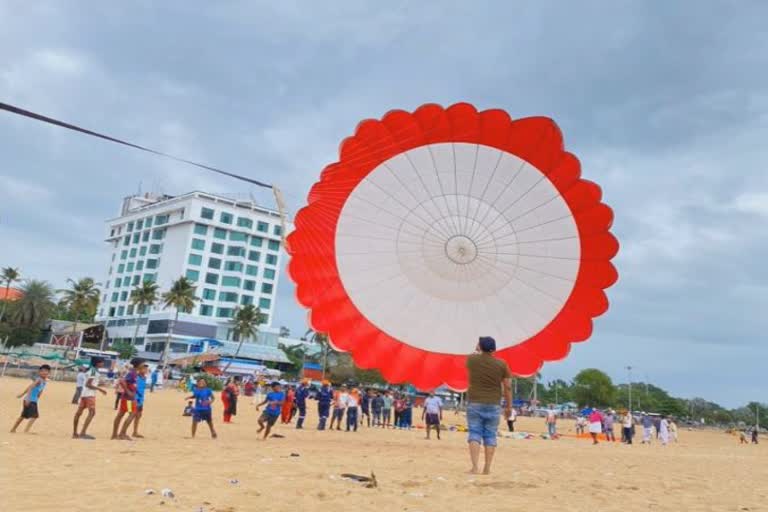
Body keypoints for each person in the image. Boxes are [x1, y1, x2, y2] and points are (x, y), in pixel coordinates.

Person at [465, 336, 512, 475]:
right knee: (490, 435)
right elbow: (508, 387)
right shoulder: (502, 364)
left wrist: (477, 349)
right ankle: (487, 468)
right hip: (493, 404)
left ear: (480, 346)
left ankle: (474, 467)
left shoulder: (472, 360)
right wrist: (509, 407)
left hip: (474, 402)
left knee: (474, 433)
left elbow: (474, 354)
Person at [73, 357, 108, 439]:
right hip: (89, 395)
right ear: (97, 363)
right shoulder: (93, 371)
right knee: (92, 413)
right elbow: (88, 384)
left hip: (84, 394)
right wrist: (100, 389)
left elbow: (89, 382)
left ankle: (75, 433)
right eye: (102, 362)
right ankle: (83, 432)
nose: (103, 364)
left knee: (79, 413)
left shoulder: (90, 370)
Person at [10, 364, 50, 434]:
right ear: (39, 372)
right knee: (34, 416)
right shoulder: (39, 380)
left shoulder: (44, 381)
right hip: (30, 400)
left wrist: (38, 395)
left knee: (23, 416)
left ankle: (13, 429)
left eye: (46, 371)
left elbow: (39, 389)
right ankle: (26, 430)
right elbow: (30, 387)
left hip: (33, 400)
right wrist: (27, 397)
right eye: (42, 371)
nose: (44, 372)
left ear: (49, 373)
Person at [112, 361, 139, 440]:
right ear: (139, 364)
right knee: (132, 414)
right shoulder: (132, 373)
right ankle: (122, 434)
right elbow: (122, 381)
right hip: (128, 399)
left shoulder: (134, 373)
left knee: (122, 414)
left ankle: (116, 434)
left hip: (128, 398)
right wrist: (128, 391)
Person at [124, 362, 149, 439]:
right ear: (140, 369)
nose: (146, 370)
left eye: (146, 369)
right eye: (144, 369)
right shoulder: (135, 377)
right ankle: (123, 432)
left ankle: (135, 432)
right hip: (133, 398)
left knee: (139, 415)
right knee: (131, 415)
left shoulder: (144, 378)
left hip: (140, 399)